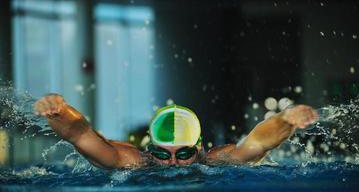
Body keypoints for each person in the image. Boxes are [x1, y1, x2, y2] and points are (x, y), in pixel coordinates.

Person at [34, 94, 318, 168]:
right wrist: (57, 109)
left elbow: (257, 142)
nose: (171, 163)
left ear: (199, 147)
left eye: (183, 153)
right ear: (149, 148)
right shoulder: (131, 161)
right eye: (162, 153)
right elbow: (80, 134)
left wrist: (286, 118)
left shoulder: (216, 160)